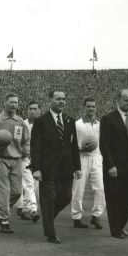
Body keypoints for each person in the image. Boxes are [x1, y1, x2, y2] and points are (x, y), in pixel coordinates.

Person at [30, 90, 82, 244]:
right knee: (48, 199)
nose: (62, 101)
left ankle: (48, 216)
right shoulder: (41, 121)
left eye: (64, 99)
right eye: (58, 99)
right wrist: (36, 168)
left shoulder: (69, 121)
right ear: (50, 100)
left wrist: (77, 167)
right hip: (48, 167)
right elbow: (36, 147)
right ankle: (51, 234)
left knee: (67, 197)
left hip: (66, 167)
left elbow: (73, 146)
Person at [99, 89, 128, 239]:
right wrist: (111, 165)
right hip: (115, 168)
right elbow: (104, 145)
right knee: (114, 199)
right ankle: (115, 230)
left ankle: (120, 225)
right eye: (126, 100)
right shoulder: (108, 119)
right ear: (118, 100)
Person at [0, 93, 30, 234]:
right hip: (0, 159)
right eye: (11, 102)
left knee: (17, 192)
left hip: (16, 160)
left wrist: (25, 151)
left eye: (16, 102)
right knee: (3, 191)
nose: (14, 105)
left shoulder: (20, 122)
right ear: (5, 103)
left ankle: (3, 209)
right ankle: (4, 220)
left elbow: (26, 140)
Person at [70, 97, 106, 229]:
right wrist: (81, 149)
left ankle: (96, 216)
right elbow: (71, 144)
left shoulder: (99, 124)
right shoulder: (77, 124)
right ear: (84, 107)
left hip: (96, 157)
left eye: (93, 106)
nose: (91, 108)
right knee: (78, 189)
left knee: (101, 188)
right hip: (81, 157)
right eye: (88, 106)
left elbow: (102, 143)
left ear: (96, 108)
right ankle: (76, 217)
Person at [17, 101, 41, 222]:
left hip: (38, 159)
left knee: (34, 187)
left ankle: (25, 209)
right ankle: (32, 210)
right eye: (30, 108)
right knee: (28, 184)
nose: (32, 111)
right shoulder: (22, 124)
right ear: (27, 110)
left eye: (35, 108)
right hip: (25, 158)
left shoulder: (43, 124)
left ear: (39, 110)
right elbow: (17, 141)